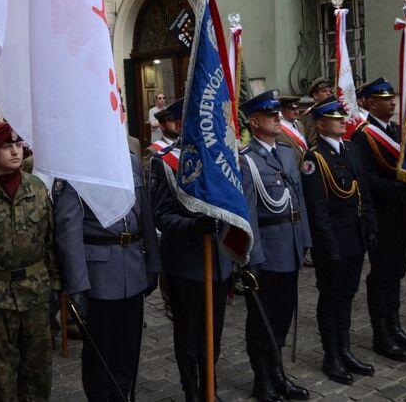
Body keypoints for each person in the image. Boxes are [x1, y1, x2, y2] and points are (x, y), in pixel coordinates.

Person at [0, 122, 61, 402]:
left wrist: (56, 286)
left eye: (18, 146)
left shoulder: (37, 188)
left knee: (39, 372)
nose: (15, 152)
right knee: (0, 376)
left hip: (36, 295)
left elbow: (50, 242)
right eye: (7, 147)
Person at [53, 151, 160, 401]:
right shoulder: (76, 166)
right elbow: (69, 231)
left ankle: (124, 395)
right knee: (99, 356)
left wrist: (153, 263)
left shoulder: (129, 160)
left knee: (128, 350)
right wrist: (78, 286)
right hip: (98, 275)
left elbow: (145, 212)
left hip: (133, 269)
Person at [150, 100, 231, 402]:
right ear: (183, 124)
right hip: (185, 264)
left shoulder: (221, 158)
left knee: (214, 336)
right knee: (188, 337)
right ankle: (192, 393)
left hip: (219, 262)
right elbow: (161, 215)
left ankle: (210, 387)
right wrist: (192, 226)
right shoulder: (166, 161)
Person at [238, 91, 311, 402]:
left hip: (290, 247)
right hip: (266, 253)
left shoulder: (285, 153)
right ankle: (262, 379)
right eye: (271, 115)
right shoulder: (246, 160)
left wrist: (305, 241)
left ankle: (278, 371)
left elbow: (299, 202)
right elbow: (249, 213)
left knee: (282, 316)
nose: (278, 117)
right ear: (254, 122)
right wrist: (251, 261)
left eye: (278, 113)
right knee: (261, 320)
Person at [300, 96, 377, 386]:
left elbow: (364, 191)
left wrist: (371, 228)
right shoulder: (314, 158)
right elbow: (317, 209)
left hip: (355, 236)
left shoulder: (352, 150)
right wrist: (327, 245)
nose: (342, 120)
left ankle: (345, 350)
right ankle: (331, 354)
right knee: (331, 297)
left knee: (347, 296)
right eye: (335, 118)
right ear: (320, 124)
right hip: (333, 241)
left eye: (342, 116)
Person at [350, 78, 406, 359]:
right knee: (382, 277)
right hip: (382, 216)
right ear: (368, 102)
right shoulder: (363, 135)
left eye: (393, 97)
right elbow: (365, 179)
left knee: (396, 274)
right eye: (384, 98)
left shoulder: (395, 130)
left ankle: (394, 325)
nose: (392, 102)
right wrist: (399, 187)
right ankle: (382, 335)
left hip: (402, 214)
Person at [300, 77, 333, 148]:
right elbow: (312, 141)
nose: (328, 94)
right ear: (315, 95)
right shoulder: (309, 115)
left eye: (330, 91)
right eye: (324, 91)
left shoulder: (332, 111)